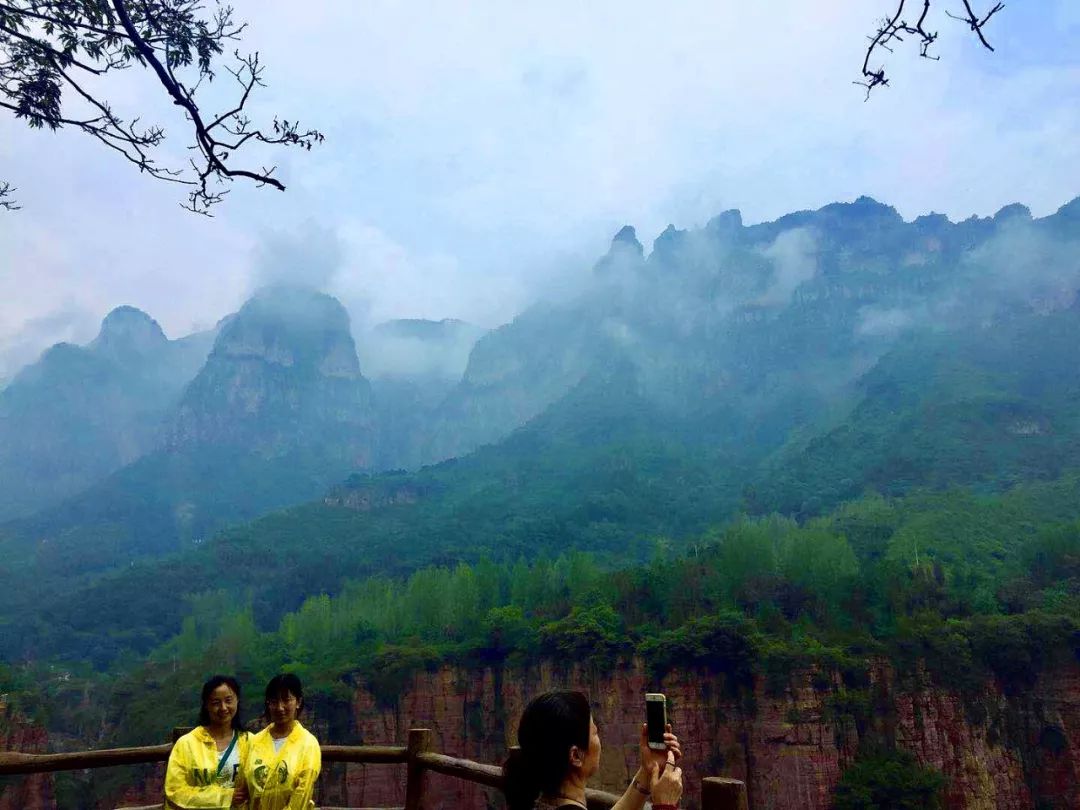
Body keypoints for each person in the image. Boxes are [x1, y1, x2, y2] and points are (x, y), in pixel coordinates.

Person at [503, 690, 684, 810]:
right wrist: (665, 805)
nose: (599, 740)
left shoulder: (544, 802)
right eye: (595, 733)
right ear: (575, 755)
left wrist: (647, 770)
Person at [164, 674, 250, 809]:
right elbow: (175, 792)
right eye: (216, 703)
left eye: (228, 700)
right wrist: (225, 797)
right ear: (206, 705)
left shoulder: (250, 742)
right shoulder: (187, 744)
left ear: (237, 700)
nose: (223, 708)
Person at [242, 673, 321, 810]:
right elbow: (242, 791)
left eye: (286, 700)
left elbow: (302, 793)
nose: (280, 707)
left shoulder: (308, 744)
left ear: (298, 702)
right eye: (274, 701)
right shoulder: (254, 742)